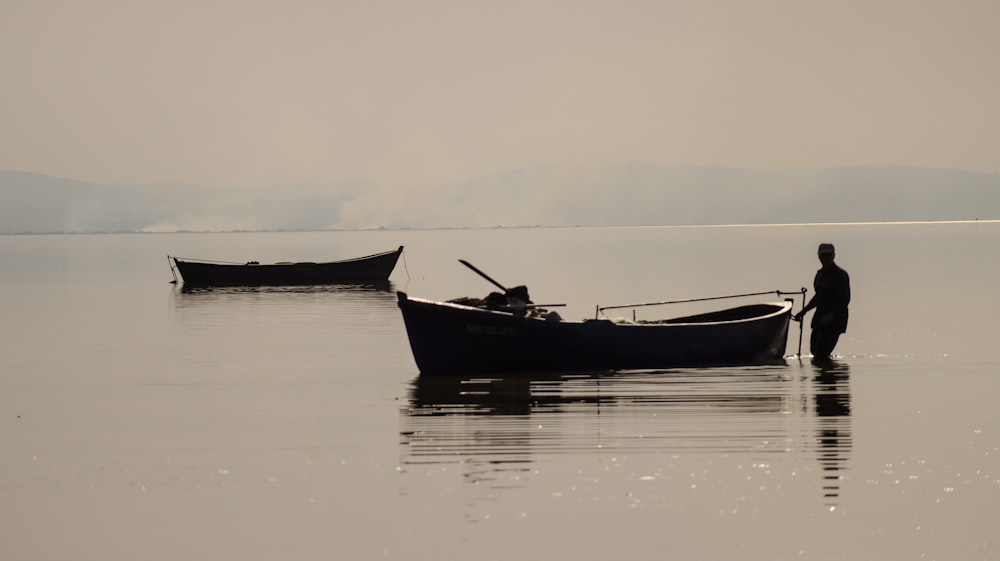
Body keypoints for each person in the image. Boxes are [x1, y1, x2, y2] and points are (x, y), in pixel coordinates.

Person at [793, 243, 851, 360]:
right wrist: (804, 311)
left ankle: (828, 375)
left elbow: (844, 299)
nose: (826, 258)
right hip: (819, 317)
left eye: (828, 255)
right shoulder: (820, 274)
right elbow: (818, 297)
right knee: (814, 350)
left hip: (835, 320)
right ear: (819, 256)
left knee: (822, 352)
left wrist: (831, 315)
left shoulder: (840, 274)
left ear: (833, 255)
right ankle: (822, 374)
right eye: (823, 255)